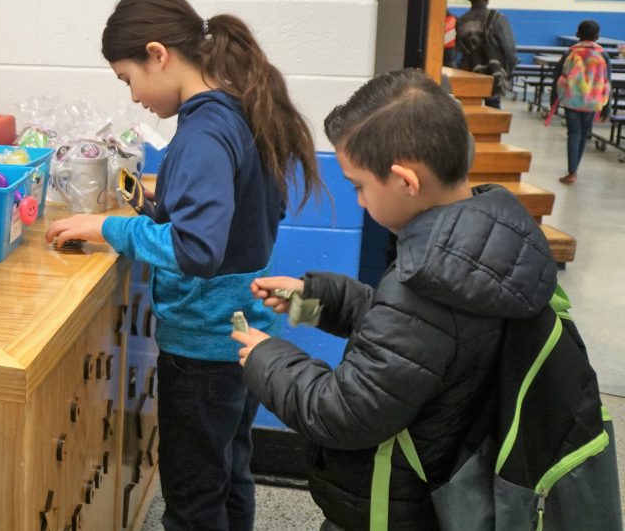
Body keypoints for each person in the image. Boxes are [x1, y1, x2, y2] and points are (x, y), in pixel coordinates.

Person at [45, 0, 322, 530]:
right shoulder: (240, 111)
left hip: (203, 349)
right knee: (229, 473)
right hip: (239, 337)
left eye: (129, 79)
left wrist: (109, 227)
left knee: (194, 498)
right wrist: (152, 209)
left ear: (158, 55)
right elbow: (230, 220)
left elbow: (197, 249)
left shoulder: (203, 132)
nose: (133, 97)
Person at [232, 69, 558, 531]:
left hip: (396, 506)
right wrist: (316, 300)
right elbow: (412, 340)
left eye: (360, 186)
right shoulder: (474, 246)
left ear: (406, 180)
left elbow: (342, 411)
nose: (360, 202)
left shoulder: (429, 282)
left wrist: (265, 357)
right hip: (439, 482)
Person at [552, 19, 611, 185]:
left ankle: (572, 172)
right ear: (597, 36)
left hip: (572, 100)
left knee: (574, 134)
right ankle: (574, 169)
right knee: (584, 134)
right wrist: (607, 106)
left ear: (577, 34)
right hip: (592, 102)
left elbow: (557, 77)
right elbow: (608, 82)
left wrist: (554, 101)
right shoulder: (603, 55)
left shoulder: (570, 53)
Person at [455, 0, 517, 108]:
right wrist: (510, 70)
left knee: (470, 109)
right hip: (492, 73)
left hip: (469, 72)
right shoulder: (497, 18)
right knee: (492, 109)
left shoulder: (461, 22)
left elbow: (457, 52)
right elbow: (509, 48)